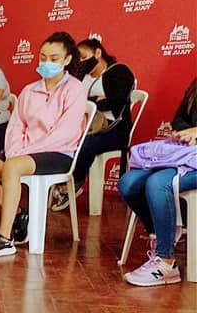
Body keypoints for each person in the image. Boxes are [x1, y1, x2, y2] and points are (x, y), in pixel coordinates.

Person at [0, 32, 88, 258]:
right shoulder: (29, 90)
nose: (46, 62)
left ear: (67, 60)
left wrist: (21, 155)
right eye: (43, 57)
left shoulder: (75, 89)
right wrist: (15, 151)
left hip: (58, 152)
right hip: (22, 151)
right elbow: (16, 126)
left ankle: (4, 238)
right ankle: (18, 213)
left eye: (54, 58)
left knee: (12, 166)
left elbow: (65, 133)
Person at [117, 78, 197, 286]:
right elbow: (179, 118)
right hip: (187, 156)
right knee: (128, 183)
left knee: (158, 183)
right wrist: (184, 133)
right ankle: (163, 235)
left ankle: (166, 262)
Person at [51, 38, 136, 211]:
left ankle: (75, 182)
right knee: (58, 139)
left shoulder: (119, 71)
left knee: (86, 144)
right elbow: (71, 101)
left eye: (84, 57)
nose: (82, 62)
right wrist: (96, 100)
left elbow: (118, 101)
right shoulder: (82, 77)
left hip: (114, 130)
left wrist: (92, 102)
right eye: (79, 59)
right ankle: (58, 179)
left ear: (98, 53)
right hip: (85, 126)